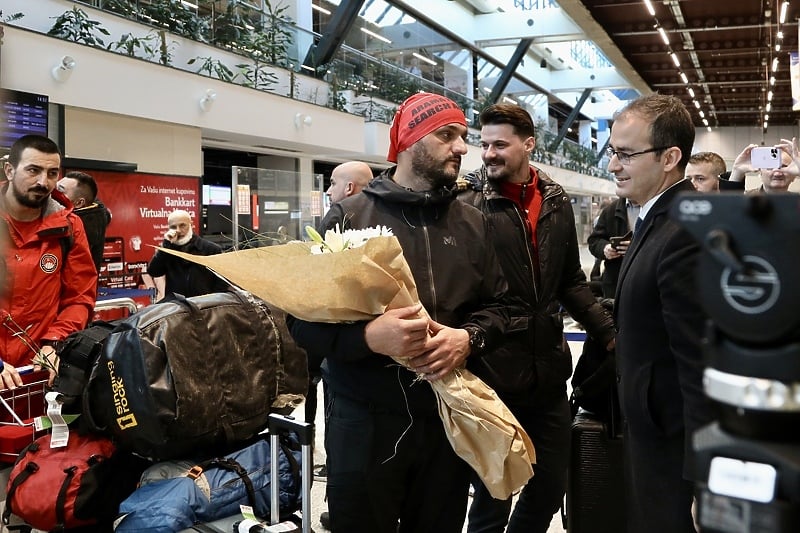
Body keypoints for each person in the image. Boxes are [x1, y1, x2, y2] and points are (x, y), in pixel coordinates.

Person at [288, 92, 510, 533]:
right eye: (447, 135)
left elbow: (503, 309)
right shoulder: (348, 217)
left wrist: (468, 339)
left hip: (446, 419)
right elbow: (300, 324)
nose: (463, 148)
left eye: (463, 137)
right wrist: (369, 338)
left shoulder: (473, 223)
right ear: (409, 141)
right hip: (363, 424)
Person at [457, 103, 615, 533]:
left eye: (500, 145)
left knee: (550, 482)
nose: (488, 153)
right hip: (490, 368)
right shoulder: (465, 200)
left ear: (528, 145)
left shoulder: (556, 199)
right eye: (484, 144)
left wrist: (609, 334)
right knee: (494, 492)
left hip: (547, 368)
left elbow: (570, 280)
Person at [608, 94, 714, 532]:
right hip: (651, 429)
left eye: (625, 154)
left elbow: (700, 362)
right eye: (612, 152)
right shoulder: (656, 219)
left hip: (673, 444)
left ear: (670, 157)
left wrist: (703, 476)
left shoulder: (683, 230)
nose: (613, 165)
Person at [0, 135, 97, 389]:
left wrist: (54, 343)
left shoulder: (69, 227)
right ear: (9, 170)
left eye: (52, 173)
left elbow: (79, 297)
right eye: (33, 170)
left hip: (37, 374)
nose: (43, 182)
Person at [147, 209, 228, 299]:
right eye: (173, 227)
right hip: (177, 307)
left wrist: (213, 302)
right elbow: (153, 271)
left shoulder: (211, 249)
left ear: (191, 224)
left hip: (203, 307)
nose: (178, 230)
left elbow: (222, 282)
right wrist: (165, 247)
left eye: (182, 226)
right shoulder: (168, 251)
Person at [57, 170, 111, 271]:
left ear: (79, 203)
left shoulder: (73, 230)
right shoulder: (95, 212)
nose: (53, 192)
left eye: (60, 190)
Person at [587, 197, 638, 298]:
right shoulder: (610, 210)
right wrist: (605, 248)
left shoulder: (657, 208)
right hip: (614, 284)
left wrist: (637, 247)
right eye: (619, 179)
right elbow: (594, 241)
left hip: (644, 283)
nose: (620, 180)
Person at [729, 138, 800, 194]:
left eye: (784, 167)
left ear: (794, 177)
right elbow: (727, 207)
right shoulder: (746, 200)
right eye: (770, 167)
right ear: (760, 173)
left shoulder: (796, 202)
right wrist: (737, 172)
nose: (777, 173)